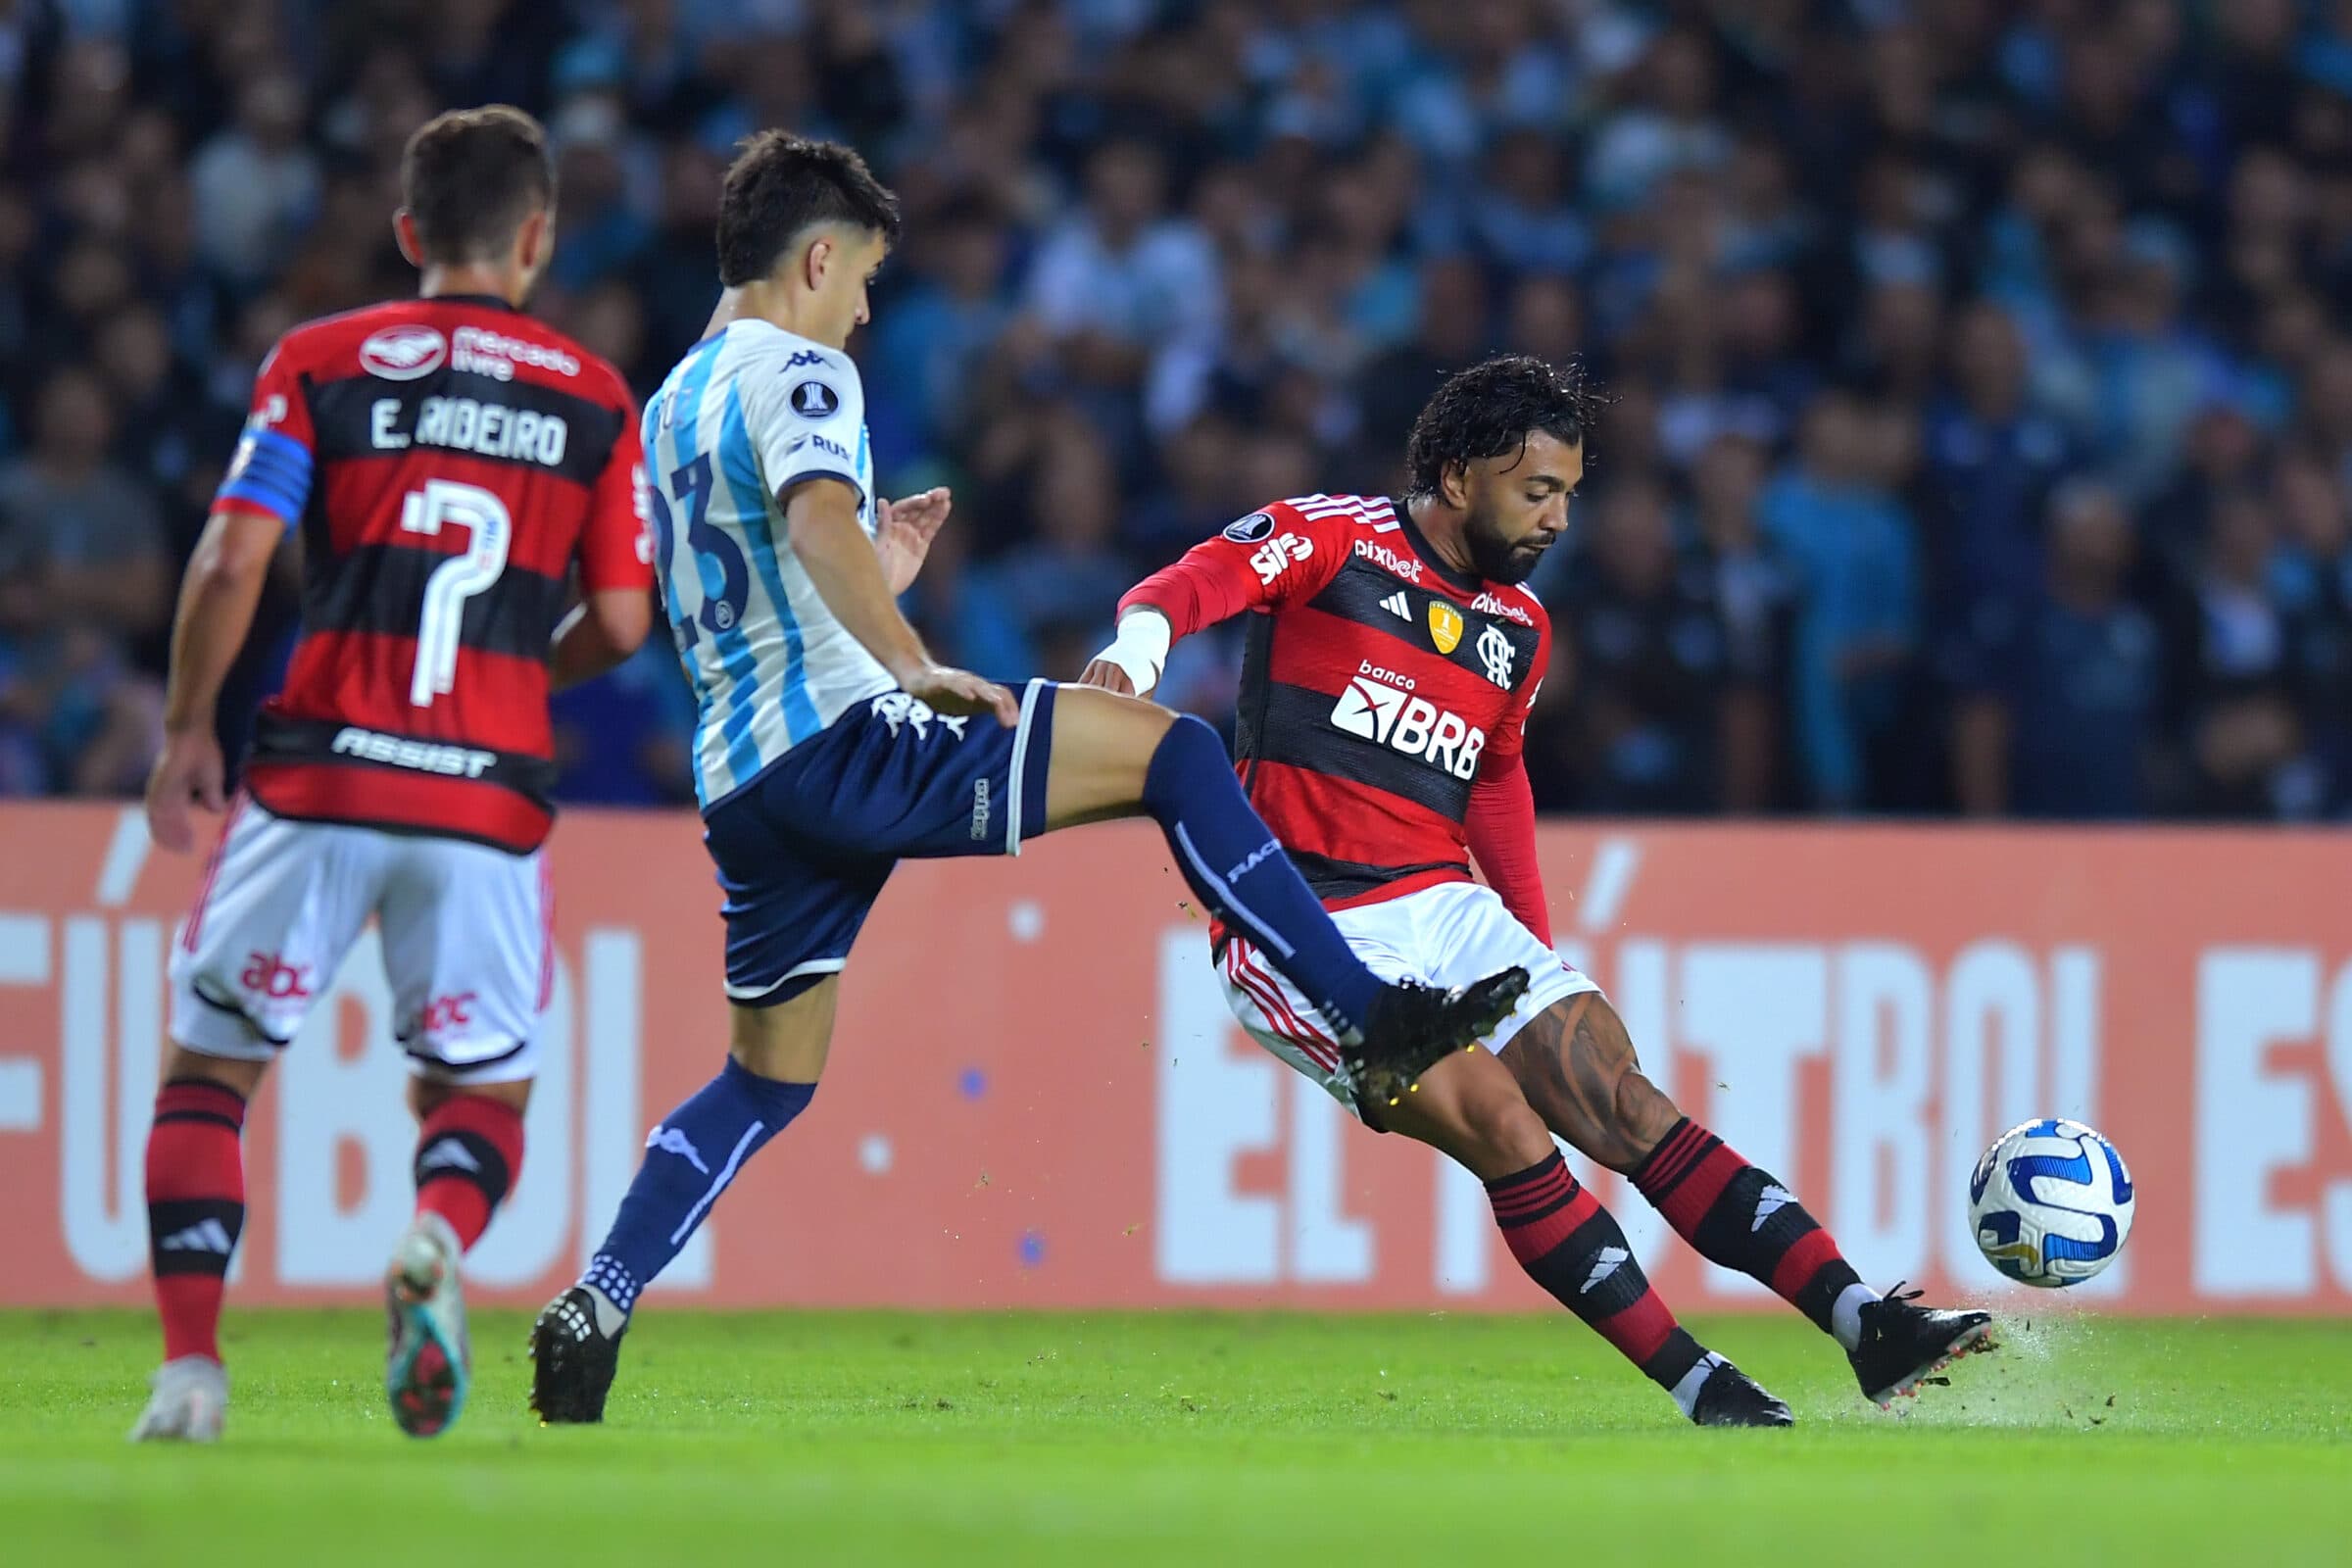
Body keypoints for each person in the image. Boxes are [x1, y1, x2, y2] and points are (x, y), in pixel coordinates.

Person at [526, 133, 1527, 1424]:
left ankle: (602, 1291)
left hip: (746, 783)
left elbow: (749, 583)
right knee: (1175, 753)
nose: (868, 306)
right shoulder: (804, 369)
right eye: (866, 276)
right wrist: (910, 652)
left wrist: (876, 569)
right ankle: (1363, 1004)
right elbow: (814, 524)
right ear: (818, 257)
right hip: (850, 739)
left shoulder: (672, 405)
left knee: (768, 1077)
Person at [1080, 355, 1996, 1423]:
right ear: (1459, 476)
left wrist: (1535, 952)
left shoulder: (1518, 628)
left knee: (1624, 1101)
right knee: (1507, 1128)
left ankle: (1865, 1324)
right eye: (1537, 490)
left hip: (1446, 907)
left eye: (1569, 492)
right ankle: (1700, 1385)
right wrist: (1137, 648)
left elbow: (1497, 777)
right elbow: (1198, 579)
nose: (1560, 518)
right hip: (1305, 924)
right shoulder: (1339, 537)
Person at [132, 107, 655, 1443]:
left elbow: (232, 559)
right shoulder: (593, 400)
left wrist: (191, 722)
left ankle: (192, 1374)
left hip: (316, 777)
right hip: (482, 792)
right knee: (485, 1089)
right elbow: (625, 620)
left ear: (411, 233)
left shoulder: (320, 362)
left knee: (211, 1072)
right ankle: (432, 1232)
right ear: (536, 238)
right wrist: (512, 675)